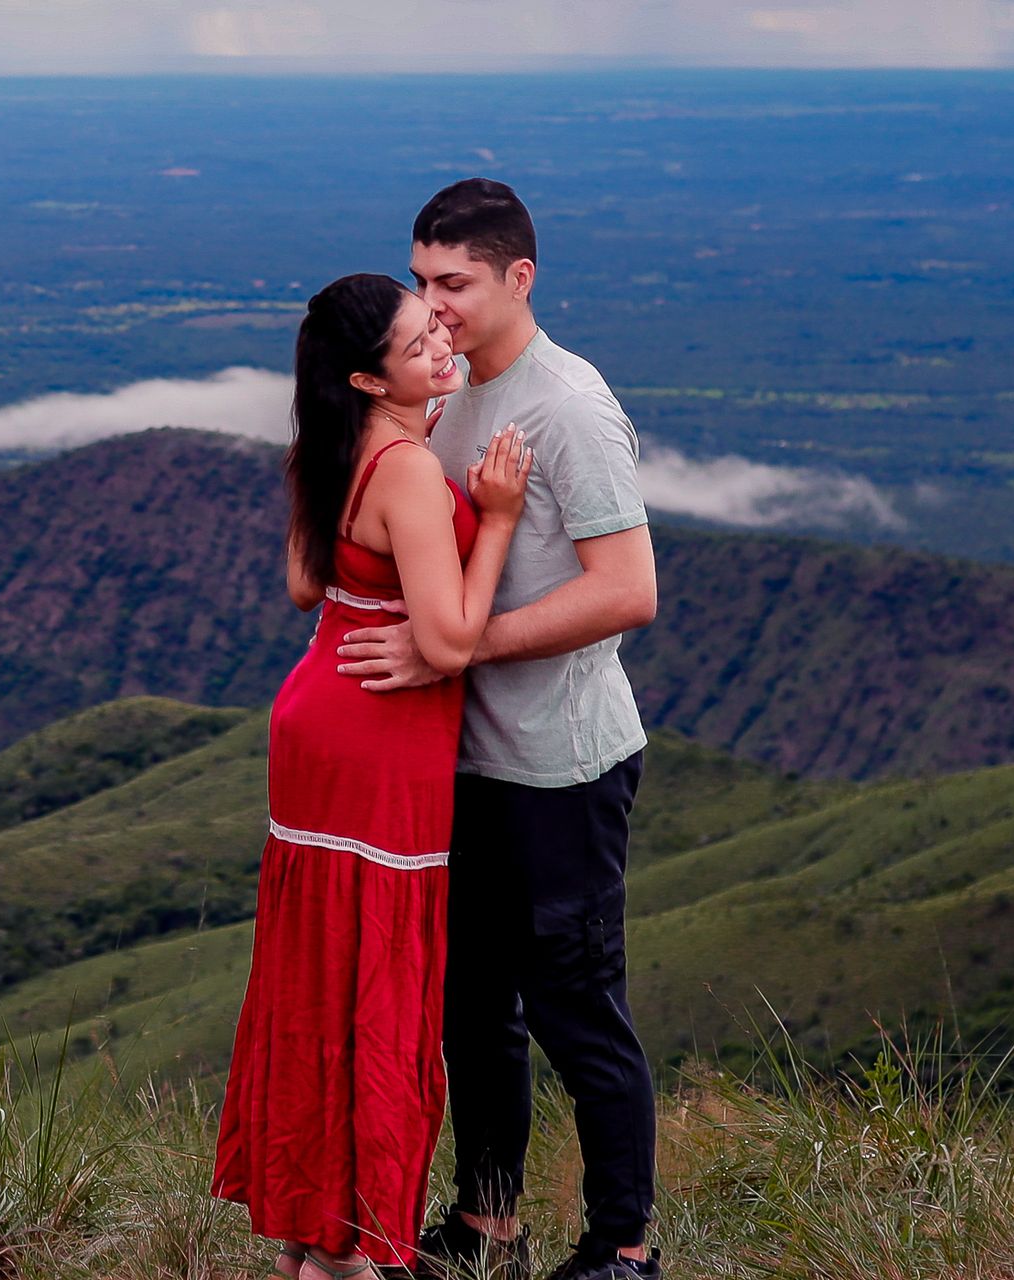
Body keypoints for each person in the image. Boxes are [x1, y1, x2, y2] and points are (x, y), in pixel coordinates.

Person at [335, 180, 662, 1280]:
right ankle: (488, 1226)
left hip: (562, 766)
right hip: (464, 762)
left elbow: (627, 591)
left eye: (455, 283)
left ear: (520, 277)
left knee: (577, 1011)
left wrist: (458, 647)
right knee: (471, 1009)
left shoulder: (566, 405)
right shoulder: (448, 393)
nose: (433, 306)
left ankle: (625, 1246)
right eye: (421, 282)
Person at [213, 272, 533, 1280]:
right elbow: (447, 637)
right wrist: (502, 518)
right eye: (415, 343)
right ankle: (357, 1248)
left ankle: (321, 1237)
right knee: (380, 990)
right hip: (382, 740)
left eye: (433, 320)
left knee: (317, 977)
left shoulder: (331, 440)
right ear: (366, 374)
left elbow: (312, 581)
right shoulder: (401, 468)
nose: (440, 341)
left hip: (316, 719)